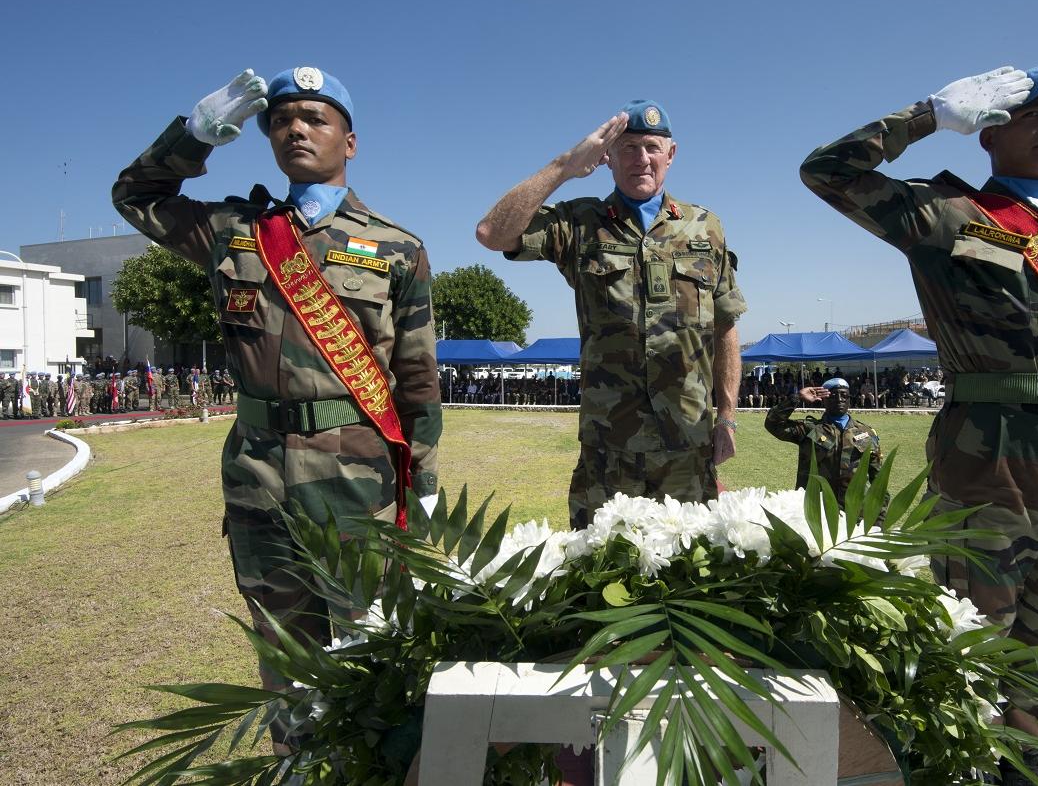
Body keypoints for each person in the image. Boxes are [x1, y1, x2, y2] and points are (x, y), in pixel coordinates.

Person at [801, 64, 1038, 783]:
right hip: (990, 465)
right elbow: (826, 171)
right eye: (1032, 114)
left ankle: (1022, 771)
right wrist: (926, 116)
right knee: (970, 649)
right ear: (987, 130)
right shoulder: (944, 214)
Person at [113, 66, 442, 752]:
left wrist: (426, 488)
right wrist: (195, 135)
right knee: (285, 650)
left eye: (315, 118)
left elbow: (417, 382)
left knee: (371, 640)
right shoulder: (234, 228)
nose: (296, 129)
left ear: (350, 141)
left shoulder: (397, 248)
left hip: (359, 477)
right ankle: (296, 764)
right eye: (281, 119)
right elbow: (136, 196)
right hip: (258, 474)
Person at [476, 101, 748, 530]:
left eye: (652, 147)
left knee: (689, 562)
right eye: (628, 148)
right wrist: (565, 166)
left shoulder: (705, 227)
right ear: (608, 157)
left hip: (687, 446)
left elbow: (726, 325)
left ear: (671, 154)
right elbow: (493, 233)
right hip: (608, 451)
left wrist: (727, 417)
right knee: (600, 565)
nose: (642, 159)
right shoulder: (580, 223)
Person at [764, 378, 883, 509]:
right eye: (833, 396)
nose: (839, 399)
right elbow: (773, 424)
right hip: (818, 508)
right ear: (823, 400)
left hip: (855, 510)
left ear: (849, 399)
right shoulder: (809, 429)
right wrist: (797, 397)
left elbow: (878, 477)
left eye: (844, 395)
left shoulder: (865, 432)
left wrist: (880, 515)